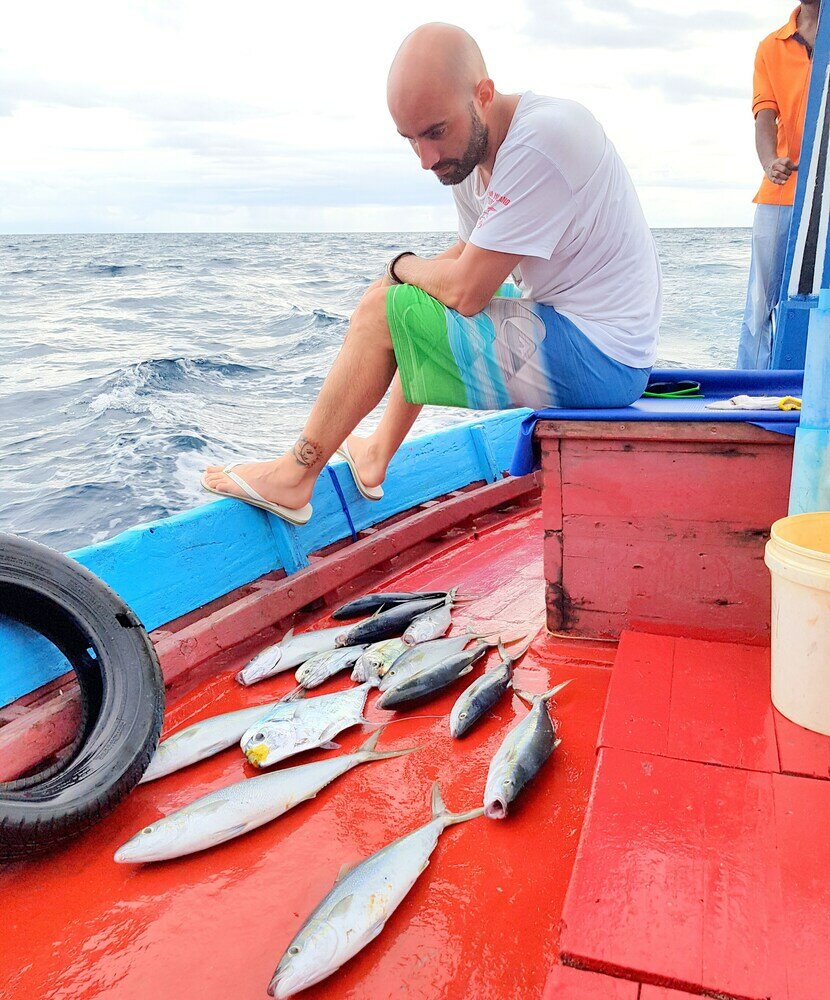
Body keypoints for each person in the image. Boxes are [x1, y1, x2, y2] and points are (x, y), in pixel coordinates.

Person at [202, 23, 662, 525]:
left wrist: (398, 269)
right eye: (410, 138)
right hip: (588, 338)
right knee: (401, 299)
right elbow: (467, 253)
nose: (426, 159)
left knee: (389, 309)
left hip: (604, 359)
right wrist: (401, 283)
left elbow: (466, 290)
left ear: (483, 95)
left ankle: (294, 477)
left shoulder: (541, 140)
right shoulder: (468, 158)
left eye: (436, 132)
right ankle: (376, 454)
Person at [737, 2, 818, 369]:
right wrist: (770, 163)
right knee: (760, 306)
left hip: (826, 194)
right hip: (782, 192)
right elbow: (764, 117)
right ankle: (749, 397)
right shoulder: (772, 45)